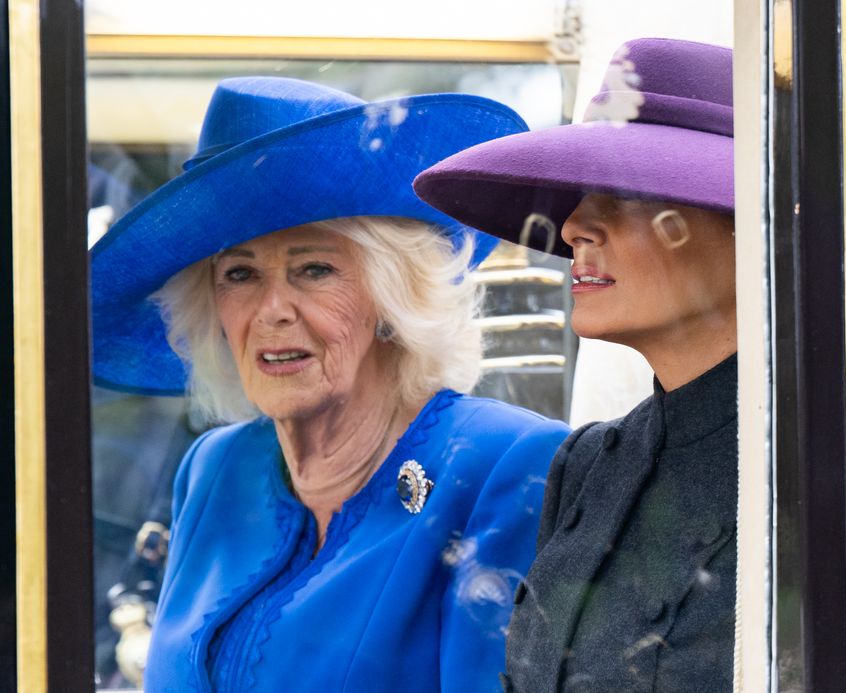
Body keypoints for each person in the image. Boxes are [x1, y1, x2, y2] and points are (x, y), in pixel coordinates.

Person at [415, 38, 846, 691]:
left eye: (622, 194)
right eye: (578, 195)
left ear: (757, 232)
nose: (573, 226)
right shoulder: (588, 467)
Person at [90, 76, 571, 692]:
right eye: (239, 274)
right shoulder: (213, 468)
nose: (272, 311)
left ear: (391, 294)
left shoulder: (507, 464)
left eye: (313, 269)